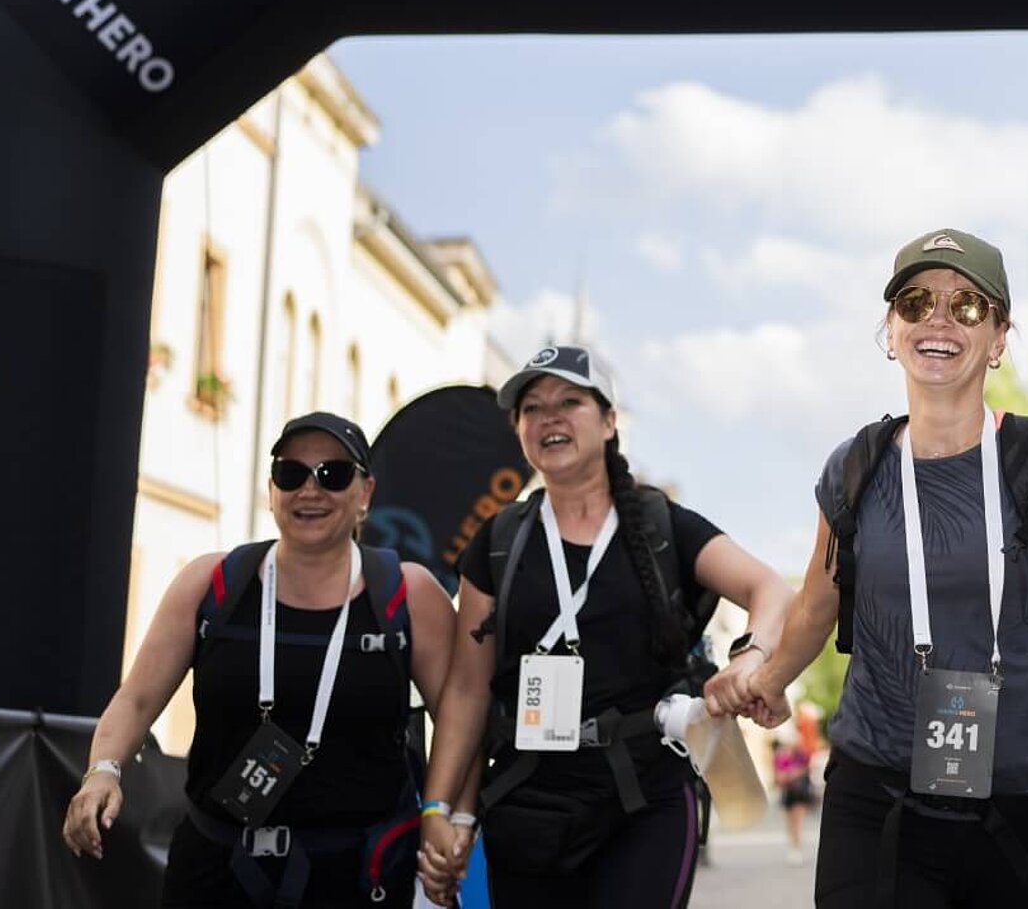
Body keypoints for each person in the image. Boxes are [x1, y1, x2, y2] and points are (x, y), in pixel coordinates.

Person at [741, 73, 1028, 908]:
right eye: (918, 301)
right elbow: (817, 604)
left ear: (999, 337)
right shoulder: (856, 468)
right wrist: (770, 677)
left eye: (969, 307)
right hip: (883, 799)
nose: (940, 320)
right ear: (890, 330)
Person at [417, 344, 792, 908]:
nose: (550, 418)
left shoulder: (664, 526)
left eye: (569, 401)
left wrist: (751, 655)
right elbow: (466, 692)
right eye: (532, 408)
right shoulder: (497, 542)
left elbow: (771, 590)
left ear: (610, 421)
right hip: (528, 800)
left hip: (644, 800)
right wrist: (440, 809)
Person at [62, 412, 464, 908]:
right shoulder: (211, 584)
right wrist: (103, 770)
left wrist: (447, 814)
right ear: (272, 490)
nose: (309, 491)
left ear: (364, 494)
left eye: (332, 475)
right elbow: (137, 699)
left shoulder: (408, 594)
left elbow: (459, 718)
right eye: (291, 474)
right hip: (218, 868)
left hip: (355, 875)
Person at [773, 738, 817, 863]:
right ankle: (793, 846)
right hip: (787, 792)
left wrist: (794, 773)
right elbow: (778, 775)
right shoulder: (780, 756)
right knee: (790, 823)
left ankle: (797, 848)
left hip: (799, 792)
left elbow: (808, 768)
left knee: (798, 822)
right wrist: (784, 776)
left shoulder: (801, 754)